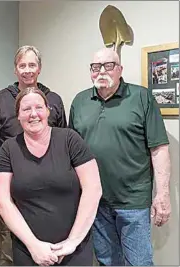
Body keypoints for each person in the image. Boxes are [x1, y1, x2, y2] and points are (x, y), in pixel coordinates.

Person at [69, 48, 171, 266]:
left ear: (120, 69)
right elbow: (72, 153)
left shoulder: (141, 97)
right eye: (96, 67)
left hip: (133, 200)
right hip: (95, 200)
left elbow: (159, 148)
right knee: (107, 261)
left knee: (139, 262)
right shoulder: (79, 101)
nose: (101, 71)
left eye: (108, 65)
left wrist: (162, 195)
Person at [0, 87, 102, 266]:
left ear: (47, 111)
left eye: (39, 107)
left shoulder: (70, 139)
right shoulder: (9, 148)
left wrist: (72, 242)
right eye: (26, 109)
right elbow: (3, 201)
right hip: (28, 250)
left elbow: (93, 189)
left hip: (74, 250)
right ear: (18, 115)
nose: (33, 114)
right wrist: (33, 245)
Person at [0, 45, 67, 265]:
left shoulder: (55, 100)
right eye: (22, 65)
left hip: (49, 192)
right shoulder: (1, 99)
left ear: (39, 68)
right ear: (15, 70)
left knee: (48, 249)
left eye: (32, 65)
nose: (27, 70)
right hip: (11, 190)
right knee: (9, 250)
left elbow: (63, 144)